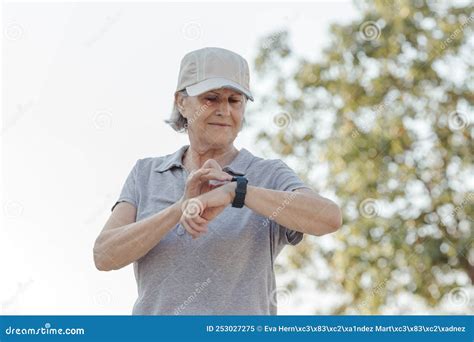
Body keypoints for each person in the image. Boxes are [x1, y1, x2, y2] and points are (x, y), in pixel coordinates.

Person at [93, 47, 342, 315]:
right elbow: (104, 255)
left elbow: (328, 218)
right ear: (181, 102)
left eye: (235, 100)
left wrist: (237, 192)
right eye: (211, 98)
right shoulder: (146, 173)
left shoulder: (268, 174)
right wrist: (181, 207)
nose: (224, 110)